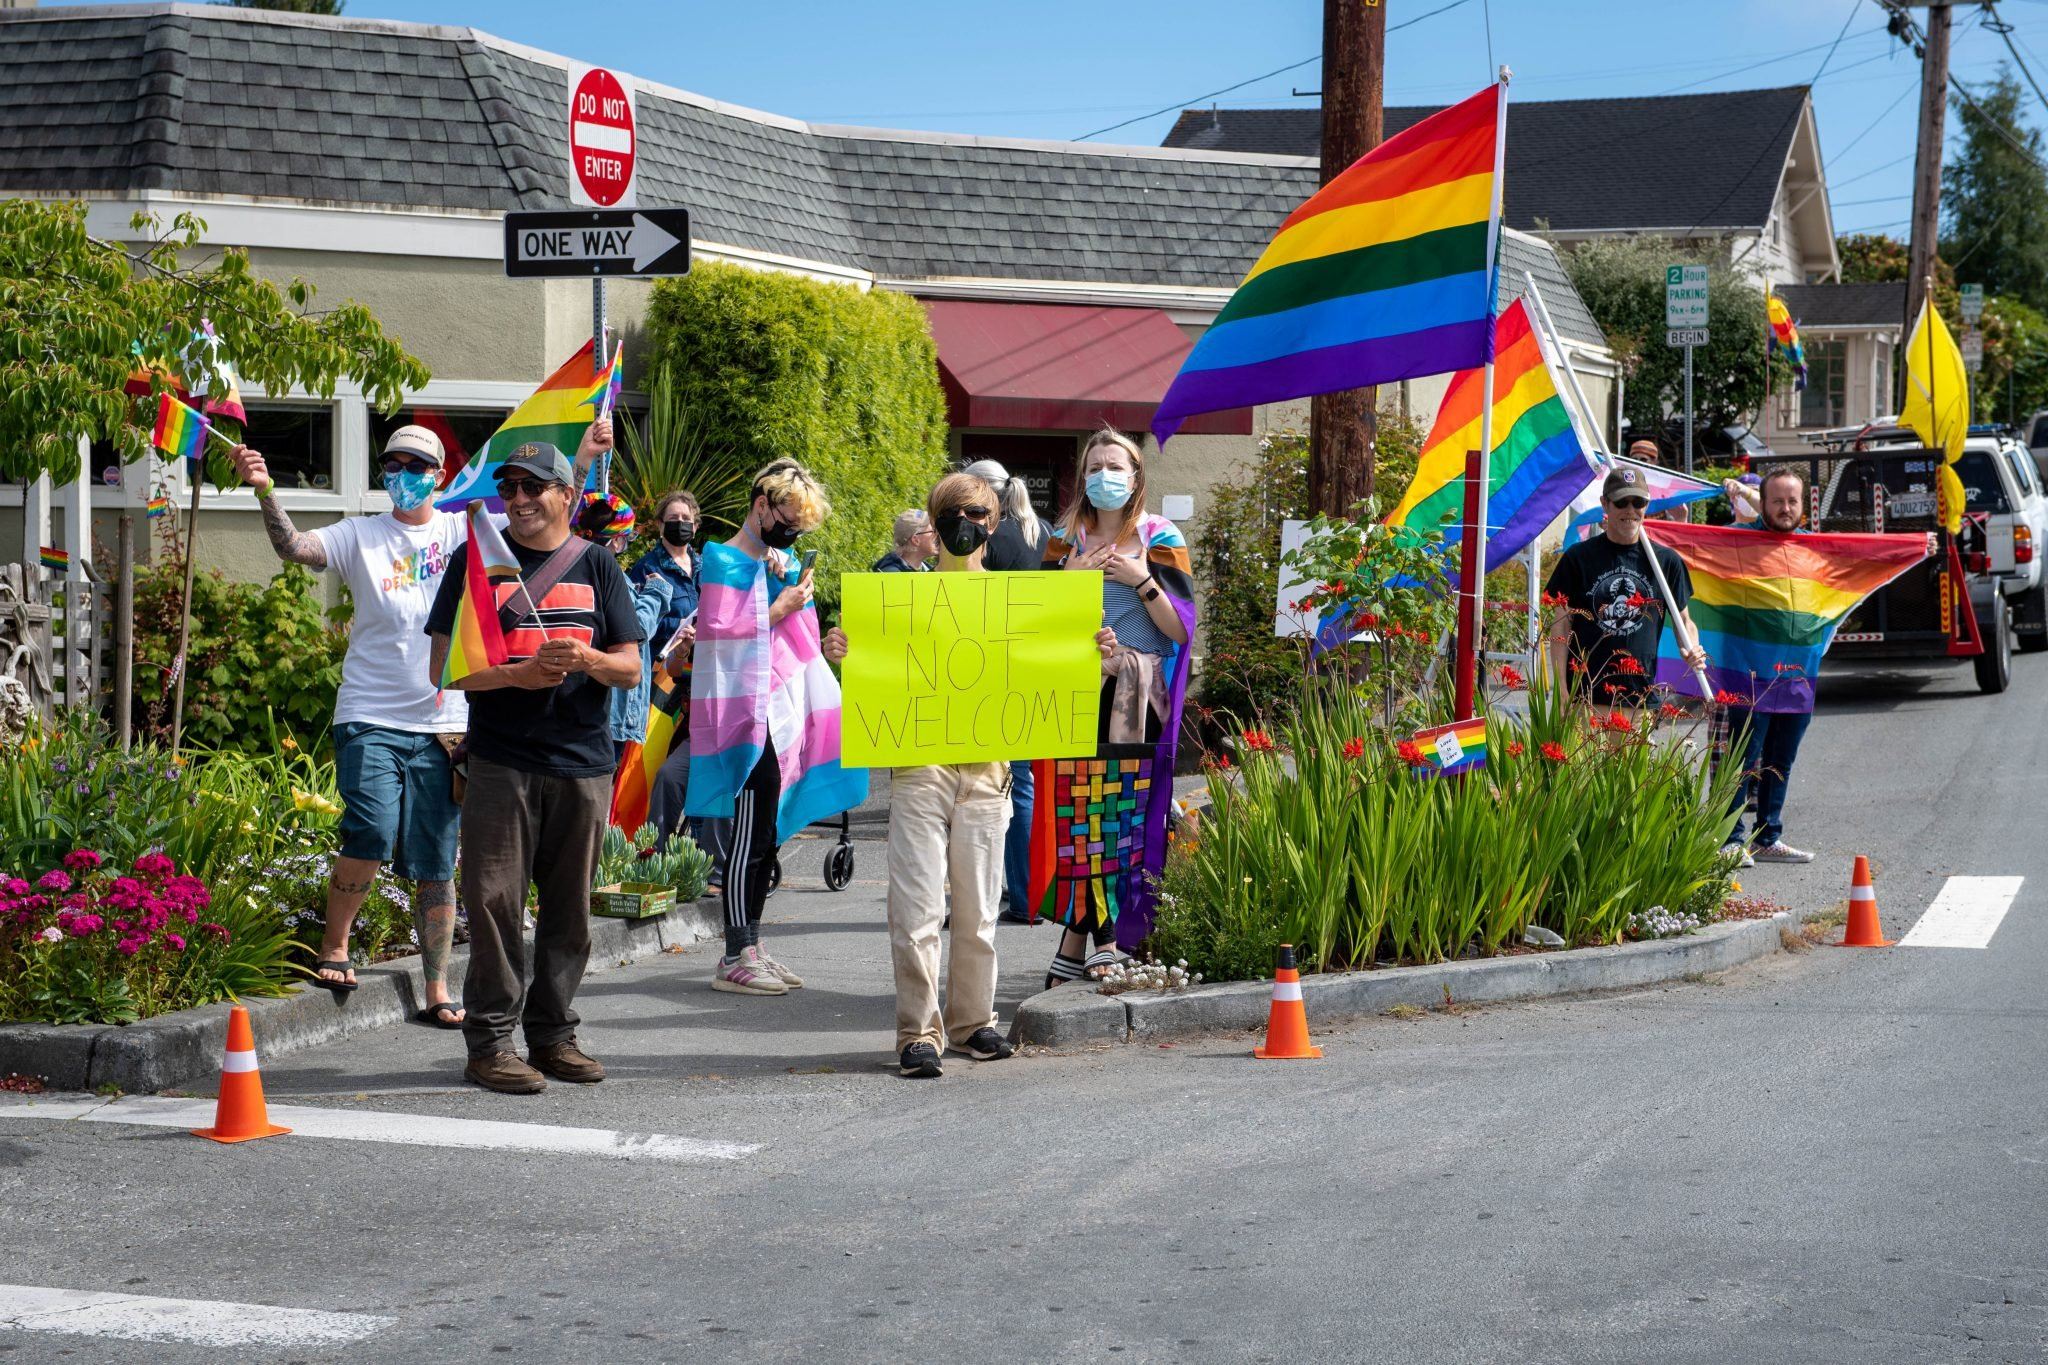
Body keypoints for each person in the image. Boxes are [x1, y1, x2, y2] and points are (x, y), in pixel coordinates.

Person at [231, 424, 476, 1027]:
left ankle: (439, 984)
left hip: (447, 721)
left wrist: (584, 458)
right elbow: (294, 548)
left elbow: (541, 519)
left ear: (439, 474)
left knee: (437, 857)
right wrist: (265, 489)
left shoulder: (462, 530)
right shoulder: (361, 534)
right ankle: (335, 945)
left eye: (416, 463)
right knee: (369, 828)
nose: (402, 472)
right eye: (391, 462)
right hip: (370, 712)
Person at [425, 441, 644, 1095]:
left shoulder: (598, 564)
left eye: (532, 486)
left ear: (564, 494)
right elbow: (443, 666)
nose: (518, 499)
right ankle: (490, 1042)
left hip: (583, 763)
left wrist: (587, 660)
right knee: (492, 902)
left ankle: (552, 1036)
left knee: (569, 909)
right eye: (509, 487)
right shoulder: (474, 561)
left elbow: (632, 663)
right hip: (501, 761)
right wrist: (521, 674)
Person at [822, 472, 1021, 1078]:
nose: (968, 524)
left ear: (994, 524)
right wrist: (843, 656)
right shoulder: (894, 601)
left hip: (988, 769)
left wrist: (1090, 653)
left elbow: (1043, 682)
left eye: (978, 513)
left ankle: (972, 1023)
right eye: (956, 513)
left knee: (980, 909)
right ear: (934, 529)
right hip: (919, 768)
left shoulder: (1020, 601)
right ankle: (918, 1033)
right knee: (915, 908)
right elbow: (873, 681)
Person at [680, 459, 867, 995]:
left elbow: (795, 635)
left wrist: (792, 595)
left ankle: (752, 946)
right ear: (761, 506)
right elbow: (718, 633)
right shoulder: (722, 559)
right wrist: (779, 605)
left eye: (801, 526)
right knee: (750, 837)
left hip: (774, 709)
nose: (792, 532)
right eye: (788, 519)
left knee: (764, 835)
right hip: (742, 716)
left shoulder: (772, 562)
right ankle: (735, 955)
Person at [1031, 429, 1197, 988]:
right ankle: (1095, 939)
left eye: (1115, 464)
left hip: (1138, 696)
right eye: (1095, 465)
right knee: (1079, 813)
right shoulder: (1061, 539)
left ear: (1135, 474)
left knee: (1119, 813)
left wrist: (1141, 579)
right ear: (1084, 476)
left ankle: (1084, 940)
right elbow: (1032, 621)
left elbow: (1180, 628)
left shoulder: (1160, 536)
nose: (1105, 474)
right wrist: (1066, 581)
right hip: (1078, 689)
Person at [1713, 466, 1818, 866]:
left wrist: (1917, 545)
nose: (1785, 508)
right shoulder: (1739, 541)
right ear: (1764, 502)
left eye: (1793, 501)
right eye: (1777, 500)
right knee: (1743, 758)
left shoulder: (1815, 548)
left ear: (1803, 505)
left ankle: (1768, 836)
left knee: (1780, 762)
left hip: (1797, 676)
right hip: (1749, 674)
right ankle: (1729, 840)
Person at [962, 457, 1051, 925]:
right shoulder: (1043, 529)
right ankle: (1028, 894)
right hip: (1031, 666)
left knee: (989, 785)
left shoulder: (986, 539)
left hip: (987, 667)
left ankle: (1002, 895)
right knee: (1026, 784)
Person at [1545, 466, 1709, 705]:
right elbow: (1560, 627)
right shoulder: (1578, 558)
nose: (1631, 510)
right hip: (1586, 697)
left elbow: (1683, 621)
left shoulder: (1667, 561)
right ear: (1605, 504)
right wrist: (1561, 691)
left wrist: (1693, 648)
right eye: (1622, 502)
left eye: (1638, 502)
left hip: (1640, 697)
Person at [579, 492, 674, 774]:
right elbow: (636, 630)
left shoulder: (576, 569)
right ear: (617, 540)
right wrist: (656, 593)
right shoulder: (611, 575)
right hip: (611, 708)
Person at [872, 510, 936, 573]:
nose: (938, 535)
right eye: (933, 531)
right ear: (915, 540)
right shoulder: (892, 576)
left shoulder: (929, 571)